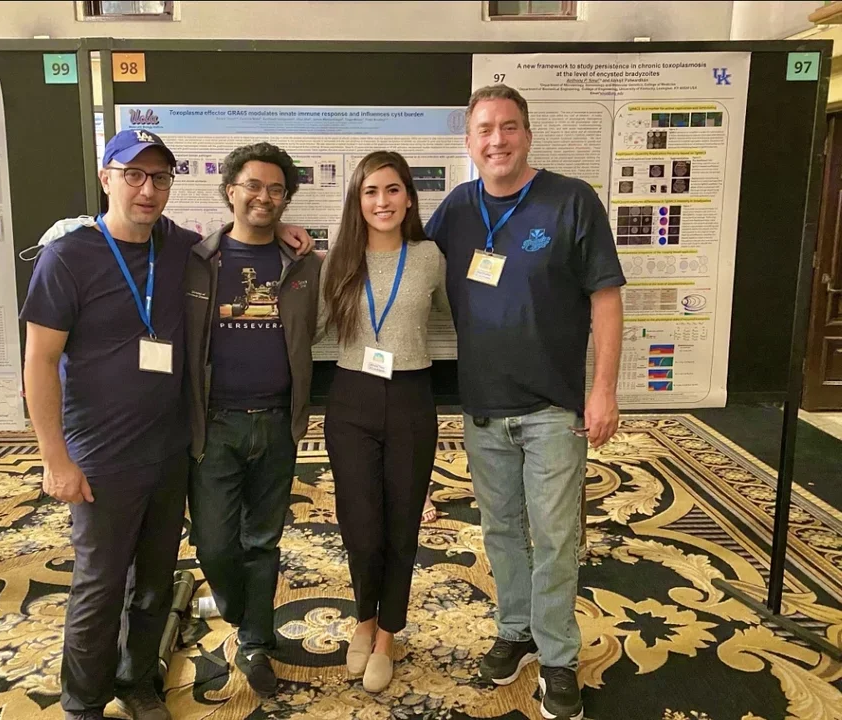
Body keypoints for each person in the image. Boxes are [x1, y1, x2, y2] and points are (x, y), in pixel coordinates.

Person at [425, 85, 625, 720]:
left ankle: (559, 657)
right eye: (484, 129)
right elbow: (397, 257)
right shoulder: (457, 208)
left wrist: (603, 389)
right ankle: (515, 631)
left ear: (528, 135)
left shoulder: (571, 201)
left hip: (550, 409)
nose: (497, 140)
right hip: (481, 408)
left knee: (556, 535)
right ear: (469, 142)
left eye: (509, 127)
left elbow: (606, 297)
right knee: (501, 531)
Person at [21, 129, 196, 720]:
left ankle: (138, 679)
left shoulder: (179, 247)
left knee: (154, 577)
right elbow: (40, 361)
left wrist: (288, 234)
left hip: (170, 449)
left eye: (161, 178)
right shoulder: (67, 256)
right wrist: (55, 460)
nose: (148, 190)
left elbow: (237, 243)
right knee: (99, 585)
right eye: (134, 176)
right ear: (106, 178)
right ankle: (83, 702)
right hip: (100, 454)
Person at [184, 142, 322, 698]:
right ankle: (243, 611)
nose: (263, 196)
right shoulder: (195, 260)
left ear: (285, 200)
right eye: (253, 186)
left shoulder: (304, 262)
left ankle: (255, 641)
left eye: (276, 189)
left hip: (276, 422)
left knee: (263, 541)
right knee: (214, 544)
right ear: (230, 191)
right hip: (213, 424)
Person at [318, 151, 447, 693]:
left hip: (413, 395)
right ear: (357, 201)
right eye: (371, 191)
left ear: (409, 198)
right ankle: (362, 620)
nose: (382, 202)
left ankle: (387, 633)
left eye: (392, 190)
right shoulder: (339, 260)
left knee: (402, 523)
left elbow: (458, 315)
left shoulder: (430, 256)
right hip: (350, 399)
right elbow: (313, 324)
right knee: (362, 526)